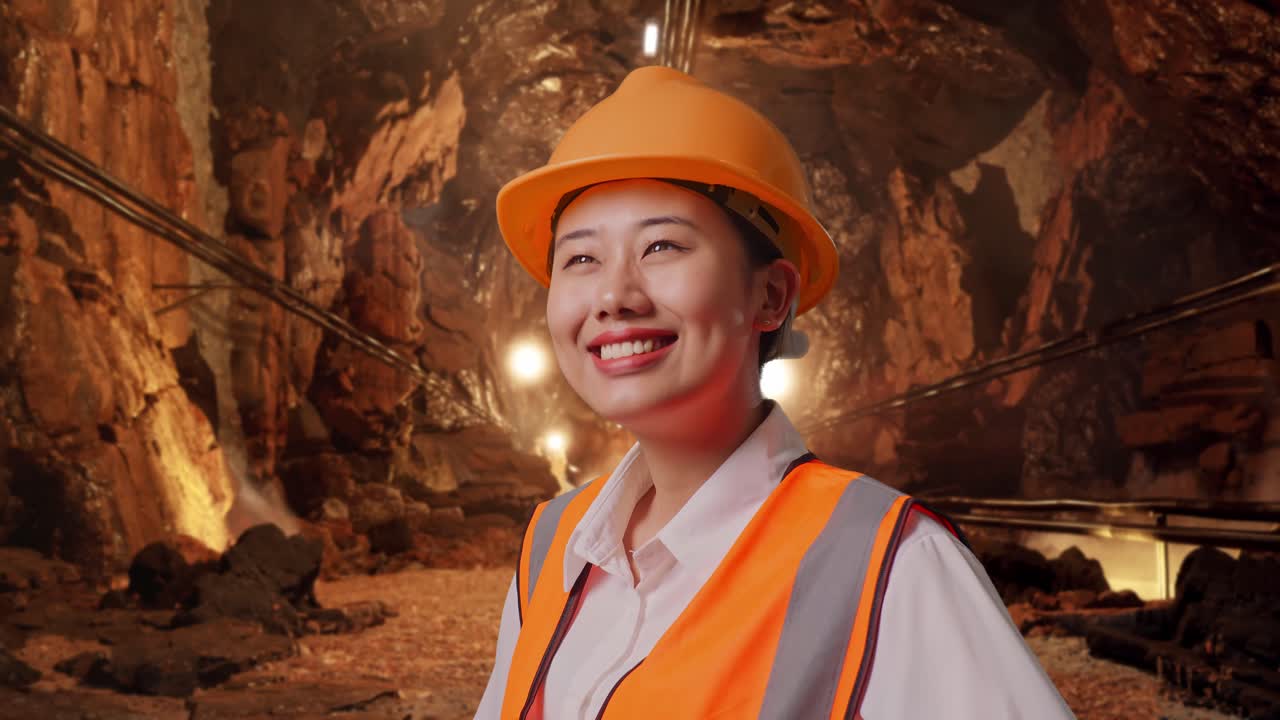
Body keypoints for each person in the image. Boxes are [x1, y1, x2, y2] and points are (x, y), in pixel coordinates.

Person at [474, 65, 1074, 720]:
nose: (615, 296)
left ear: (771, 295)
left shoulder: (887, 562)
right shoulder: (551, 548)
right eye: (581, 258)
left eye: (663, 245)